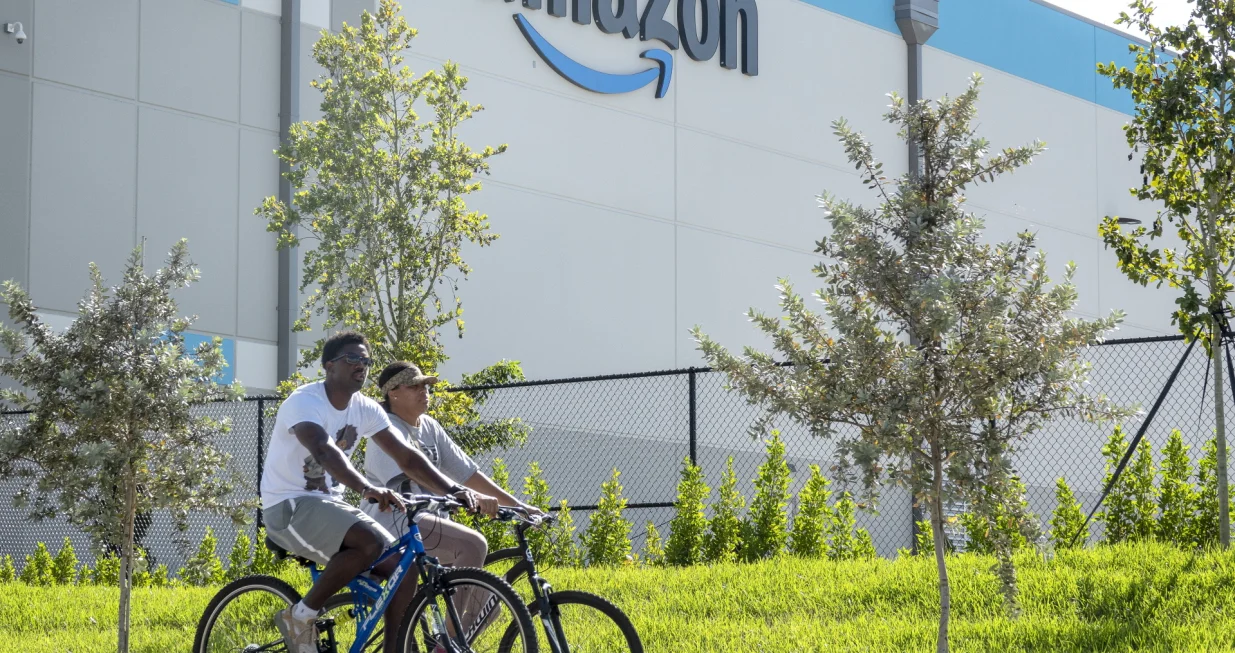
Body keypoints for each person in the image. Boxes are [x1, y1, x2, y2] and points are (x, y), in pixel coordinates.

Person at [259, 331, 497, 653]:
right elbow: (324, 450)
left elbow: (408, 457)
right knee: (368, 542)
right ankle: (300, 616)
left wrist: (455, 490)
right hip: (289, 506)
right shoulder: (304, 401)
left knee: (405, 567)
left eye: (366, 360)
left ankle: (394, 647)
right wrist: (368, 487)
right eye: (352, 358)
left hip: (330, 507)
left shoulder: (365, 408)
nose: (362, 365)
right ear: (329, 366)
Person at [360, 361, 545, 640]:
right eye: (415, 386)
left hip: (428, 523)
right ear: (393, 393)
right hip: (394, 522)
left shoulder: (429, 427)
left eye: (426, 385)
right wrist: (466, 496)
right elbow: (413, 481)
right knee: (472, 544)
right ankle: (447, 644)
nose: (424, 391)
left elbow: (469, 474)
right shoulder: (385, 432)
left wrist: (517, 506)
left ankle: (441, 642)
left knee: (487, 605)